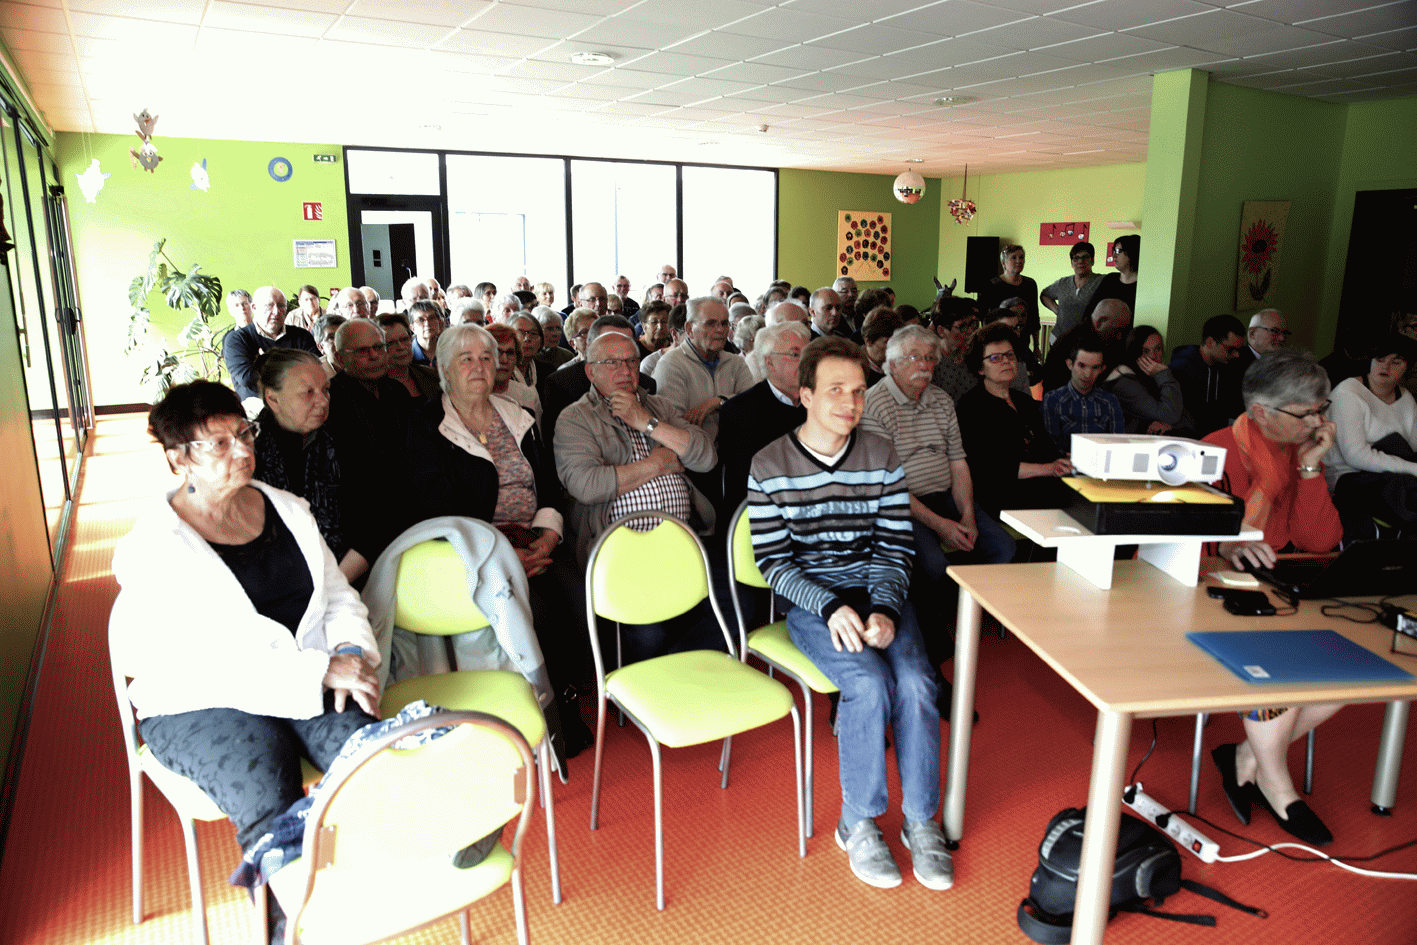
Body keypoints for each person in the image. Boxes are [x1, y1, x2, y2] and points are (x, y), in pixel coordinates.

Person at [113, 380, 381, 914]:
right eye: (219, 443)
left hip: (308, 674)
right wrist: (321, 670)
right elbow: (198, 663)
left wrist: (350, 651)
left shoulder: (286, 508)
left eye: (244, 433)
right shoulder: (151, 549)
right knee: (267, 782)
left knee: (367, 751)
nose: (242, 450)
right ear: (177, 460)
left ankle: (436, 854)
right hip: (198, 701)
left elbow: (337, 598)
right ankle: (291, 924)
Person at [747, 335, 951, 892]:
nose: (850, 403)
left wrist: (885, 608)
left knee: (916, 682)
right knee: (866, 684)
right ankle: (857, 819)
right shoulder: (769, 465)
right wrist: (831, 604)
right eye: (836, 390)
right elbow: (774, 562)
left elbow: (894, 545)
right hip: (814, 602)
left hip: (879, 594)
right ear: (805, 396)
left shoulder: (881, 455)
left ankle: (919, 820)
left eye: (859, 391)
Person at [402, 323, 592, 752]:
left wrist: (547, 535)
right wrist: (503, 554)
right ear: (443, 368)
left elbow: (546, 485)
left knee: (579, 598)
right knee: (534, 612)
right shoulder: (426, 425)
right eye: (465, 359)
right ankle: (547, 721)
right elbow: (437, 508)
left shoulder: (517, 416)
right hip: (476, 551)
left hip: (532, 539)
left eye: (486, 358)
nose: (478, 366)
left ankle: (567, 695)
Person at [1203, 349, 1343, 846]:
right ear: (1261, 411)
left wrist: (1309, 470)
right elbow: (1176, 544)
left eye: (1321, 410)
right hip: (1213, 589)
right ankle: (1275, 779)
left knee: (1355, 666)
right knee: (1279, 660)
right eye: (1306, 414)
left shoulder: (1300, 454)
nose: (1319, 423)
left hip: (1284, 582)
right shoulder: (1214, 452)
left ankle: (1245, 756)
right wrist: (1226, 545)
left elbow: (1320, 542)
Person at [860, 325, 1015, 709]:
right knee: (932, 563)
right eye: (915, 357)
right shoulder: (875, 404)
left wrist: (967, 515)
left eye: (930, 357)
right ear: (891, 363)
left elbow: (958, 462)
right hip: (899, 502)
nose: (924, 365)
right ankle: (939, 644)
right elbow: (889, 485)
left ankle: (960, 618)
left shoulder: (942, 400)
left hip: (946, 493)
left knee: (1002, 547)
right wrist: (943, 525)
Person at [252, 349, 385, 585]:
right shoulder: (251, 454)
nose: (323, 401)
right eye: (308, 393)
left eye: (325, 390)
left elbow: (377, 521)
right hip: (283, 586)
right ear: (273, 399)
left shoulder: (345, 437)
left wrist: (333, 585)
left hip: (352, 575)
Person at [956, 322, 1072, 517]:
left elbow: (1044, 445)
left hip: (1039, 483)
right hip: (1000, 492)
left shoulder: (1025, 401)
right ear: (980, 368)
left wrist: (1063, 460)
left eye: (1010, 355)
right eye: (995, 358)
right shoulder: (971, 406)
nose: (1006, 362)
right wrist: (1048, 468)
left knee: (1094, 502)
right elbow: (992, 468)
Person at [1324, 333, 1417, 543]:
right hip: (1347, 477)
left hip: (1390, 478)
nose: (1385, 367)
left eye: (1396, 362)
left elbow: (1413, 447)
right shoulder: (1349, 392)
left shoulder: (1406, 398)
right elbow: (1355, 455)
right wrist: (1413, 469)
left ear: (1407, 368)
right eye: (1380, 359)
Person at [718, 320, 810, 526]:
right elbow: (753, 480)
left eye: (808, 354)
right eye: (795, 355)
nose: (805, 362)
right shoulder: (740, 411)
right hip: (759, 522)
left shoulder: (818, 405)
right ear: (770, 362)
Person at [223, 285, 320, 406]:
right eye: (269, 305)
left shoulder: (301, 335)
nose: (276, 312)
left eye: (281, 306)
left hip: (300, 408)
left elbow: (316, 370)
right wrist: (296, 369)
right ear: (254, 308)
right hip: (260, 413)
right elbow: (247, 378)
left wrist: (265, 366)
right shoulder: (237, 339)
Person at [1041, 331, 1124, 453]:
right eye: (1082, 366)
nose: (1087, 374)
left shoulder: (1109, 402)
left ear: (1102, 369)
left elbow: (1118, 446)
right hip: (1063, 467)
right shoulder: (1053, 400)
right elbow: (1049, 447)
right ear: (1070, 364)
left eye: (1095, 368)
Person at [1170, 313, 1247, 436]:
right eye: (1231, 349)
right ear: (1210, 342)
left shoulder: (1227, 366)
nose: (1236, 355)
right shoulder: (1181, 370)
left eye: (1239, 350)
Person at [1104, 325, 1187, 435]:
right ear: (1134, 353)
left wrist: (1169, 425)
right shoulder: (1124, 382)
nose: (1153, 356)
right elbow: (1169, 414)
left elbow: (1187, 418)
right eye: (1145, 351)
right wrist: (1165, 377)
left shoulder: (1156, 377)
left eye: (1158, 349)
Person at [977, 243, 1040, 352]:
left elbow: (1034, 316)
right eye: (1013, 257)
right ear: (1003, 263)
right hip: (998, 342)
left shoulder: (1030, 284)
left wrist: (1036, 346)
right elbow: (982, 315)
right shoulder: (991, 285)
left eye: (1021, 257)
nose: (1018, 261)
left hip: (1023, 344)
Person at [1040, 241, 1105, 343]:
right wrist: (1057, 310)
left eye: (1085, 257)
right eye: (1076, 258)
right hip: (1060, 338)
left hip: (1088, 341)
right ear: (1072, 263)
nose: (1080, 261)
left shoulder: (1102, 282)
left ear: (1092, 261)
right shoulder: (1062, 283)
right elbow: (1044, 295)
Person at [377, 313, 440, 403]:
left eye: (404, 339)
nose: (401, 347)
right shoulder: (375, 388)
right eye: (391, 343)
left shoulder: (431, 375)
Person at [1080, 233, 1138, 326]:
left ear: (1132, 252)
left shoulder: (1143, 286)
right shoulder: (1110, 279)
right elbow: (1090, 310)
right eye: (1114, 250)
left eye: (1119, 251)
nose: (1114, 256)